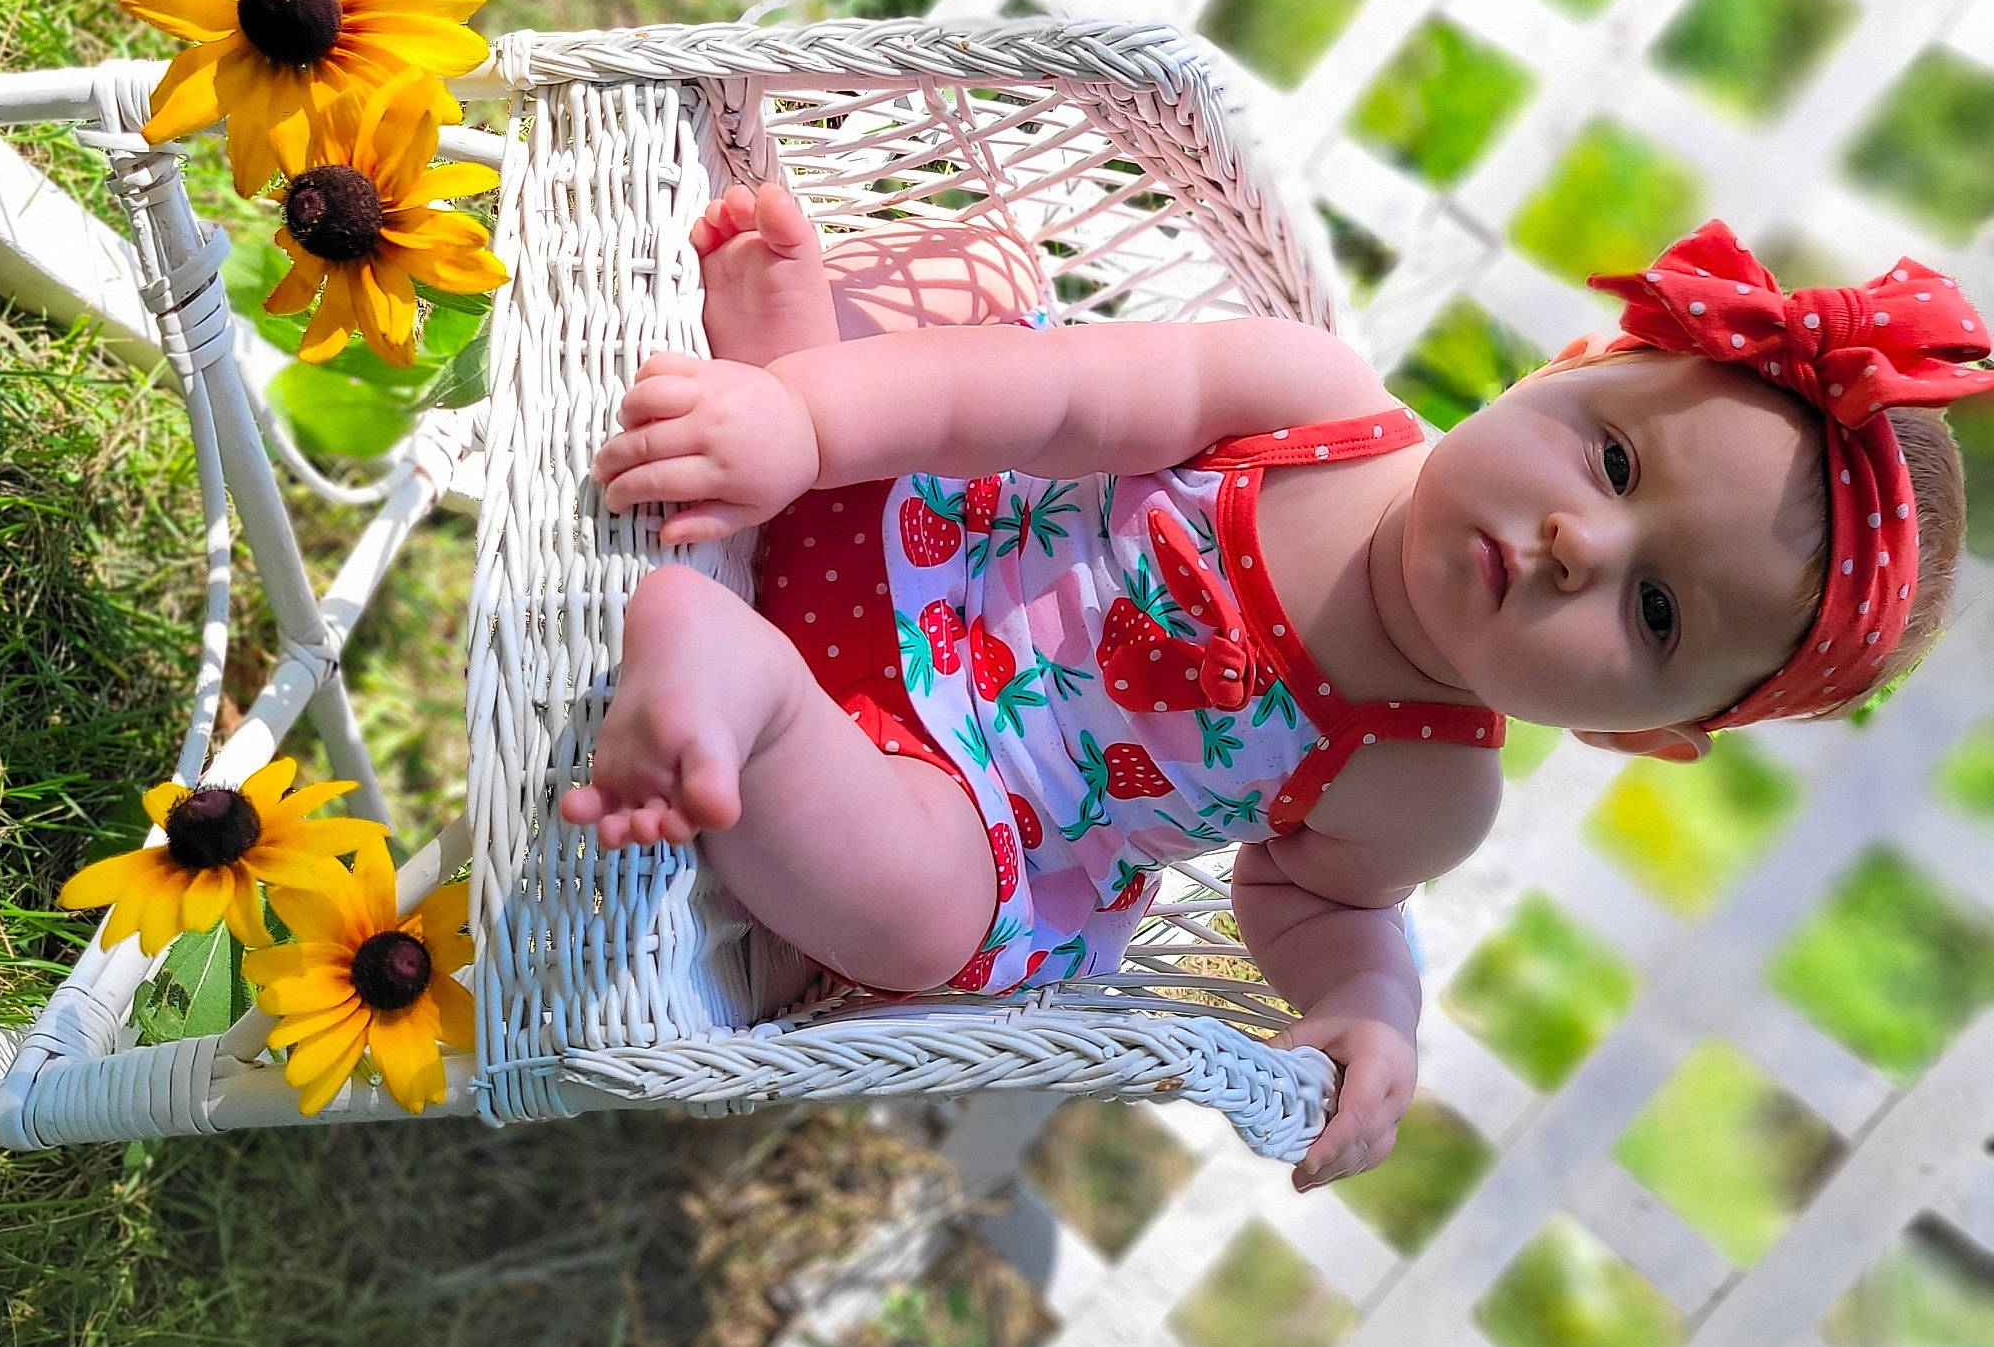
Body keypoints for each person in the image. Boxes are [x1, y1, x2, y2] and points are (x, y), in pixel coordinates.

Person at [560, 189, 1989, 1190]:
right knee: (982, 302)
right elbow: (1047, 403)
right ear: (1572, 368)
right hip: (915, 522)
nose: (1579, 543)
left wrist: (1374, 1013)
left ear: (1644, 731)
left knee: (929, 921)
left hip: (977, 805)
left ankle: (740, 689)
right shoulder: (1315, 402)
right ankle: (787, 381)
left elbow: (1320, 905)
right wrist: (809, 426)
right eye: (1614, 459)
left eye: (1656, 608)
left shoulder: (1427, 782)